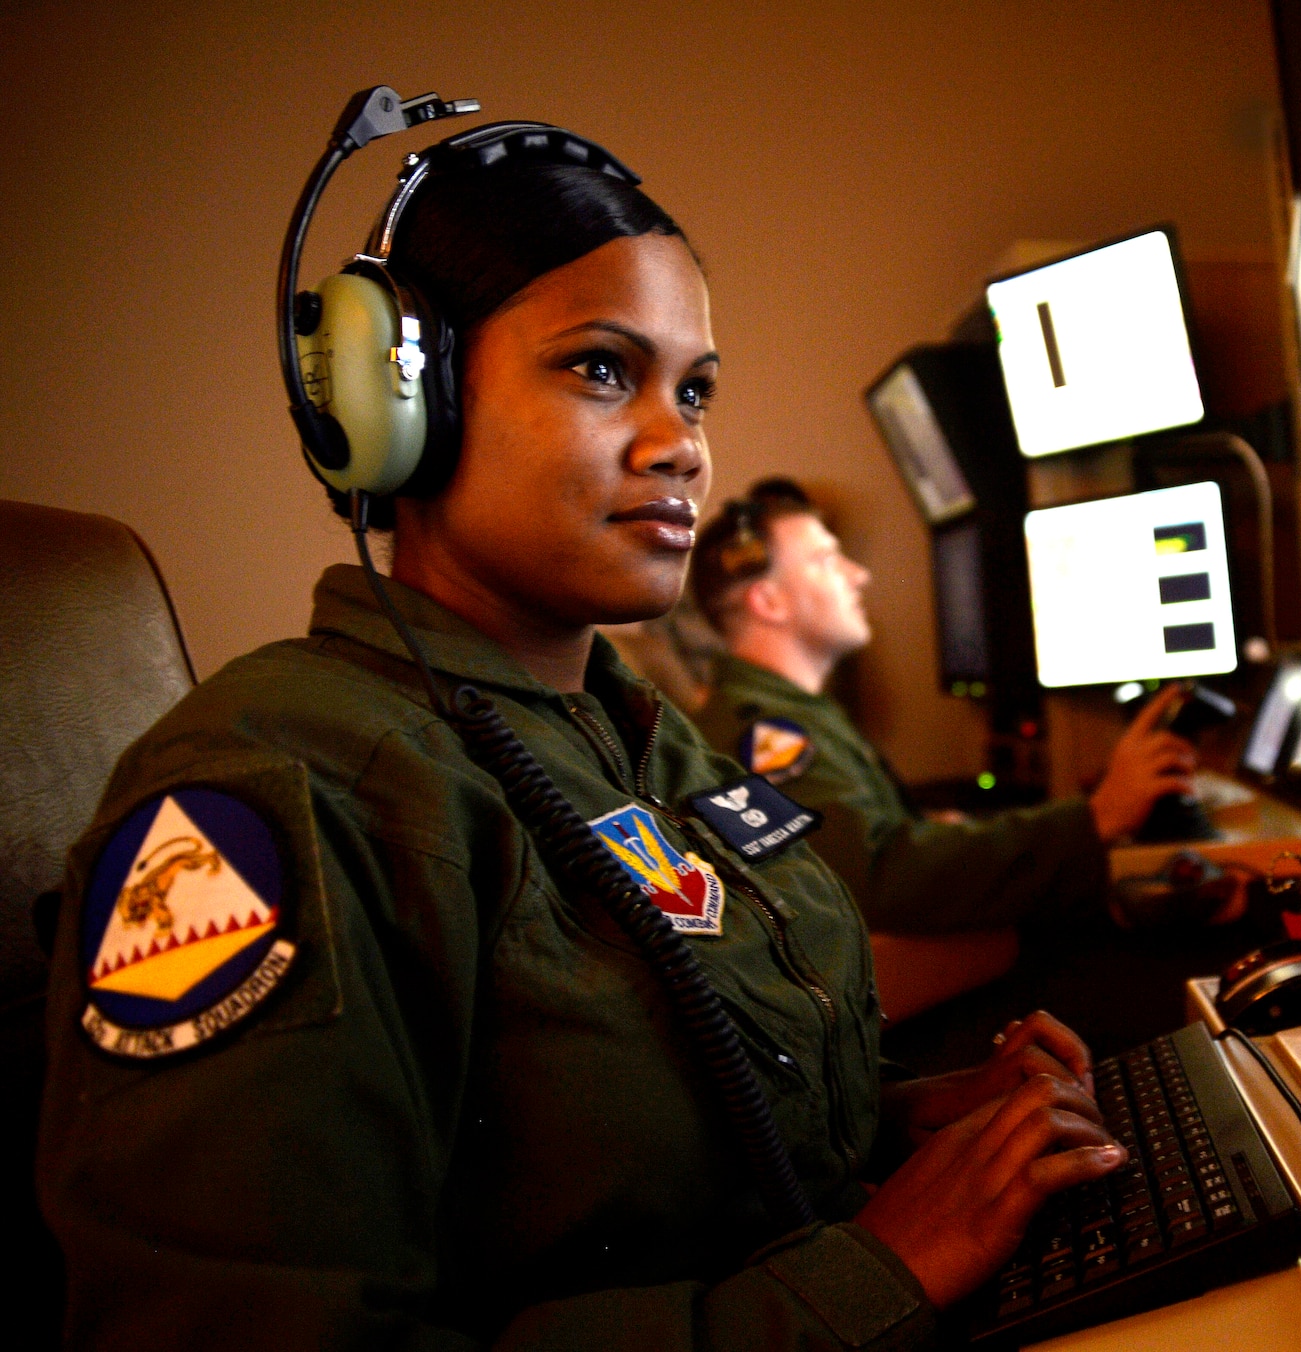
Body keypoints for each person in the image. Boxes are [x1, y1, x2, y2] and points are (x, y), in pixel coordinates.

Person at [36, 120, 1127, 1349]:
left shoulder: (642, 741)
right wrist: (873, 1268)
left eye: (695, 387)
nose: (683, 445)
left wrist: (899, 1128)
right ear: (404, 404)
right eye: (603, 369)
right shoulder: (275, 790)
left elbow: (638, 1155)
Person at [687, 485, 1200, 935]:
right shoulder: (767, 732)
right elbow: (880, 880)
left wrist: (936, 829)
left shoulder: (781, 709)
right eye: (826, 560)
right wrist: (1097, 816)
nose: (859, 575)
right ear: (769, 602)